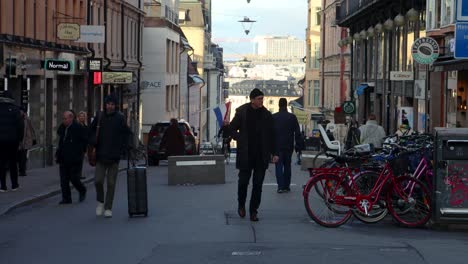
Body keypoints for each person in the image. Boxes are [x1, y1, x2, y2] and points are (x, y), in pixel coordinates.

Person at [230, 88, 279, 222]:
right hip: (246, 154)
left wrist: (274, 153)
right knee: (243, 183)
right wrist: (239, 138)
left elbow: (272, 135)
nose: (261, 101)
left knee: (258, 185)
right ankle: (241, 205)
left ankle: (253, 211)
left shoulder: (266, 115)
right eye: (259, 99)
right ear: (252, 100)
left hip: (261, 156)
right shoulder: (242, 112)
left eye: (262, 99)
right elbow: (232, 128)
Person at [89, 94, 130, 218]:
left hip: (114, 157)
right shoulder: (100, 116)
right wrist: (92, 142)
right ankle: (100, 202)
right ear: (105, 105)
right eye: (108, 104)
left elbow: (127, 134)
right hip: (101, 155)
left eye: (112, 104)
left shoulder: (120, 118)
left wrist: (124, 148)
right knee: (98, 180)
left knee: (111, 183)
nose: (110, 106)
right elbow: (90, 131)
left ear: (115, 105)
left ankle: (108, 207)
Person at [55, 111, 87, 204]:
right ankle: (66, 198)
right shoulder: (63, 128)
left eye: (65, 119)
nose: (64, 120)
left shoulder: (78, 128)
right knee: (63, 179)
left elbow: (84, 141)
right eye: (63, 118)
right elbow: (59, 135)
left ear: (71, 118)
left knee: (74, 178)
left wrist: (81, 152)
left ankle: (82, 190)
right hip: (63, 157)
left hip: (74, 157)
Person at [272, 98, 302, 193]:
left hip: (277, 146)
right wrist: (298, 146)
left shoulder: (274, 117)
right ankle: (286, 186)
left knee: (279, 166)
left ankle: (280, 186)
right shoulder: (292, 117)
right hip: (289, 146)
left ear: (279, 105)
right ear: (286, 105)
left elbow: (270, 133)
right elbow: (297, 132)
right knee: (287, 166)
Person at [0, 91, 24, 192]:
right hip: (13, 141)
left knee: (1, 163)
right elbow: (20, 126)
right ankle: (14, 185)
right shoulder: (15, 109)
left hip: (0, 141)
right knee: (13, 163)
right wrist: (20, 139)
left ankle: (3, 186)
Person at [17, 107, 37, 176]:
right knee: (20, 156)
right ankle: (21, 170)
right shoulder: (18, 119)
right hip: (20, 140)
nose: (20, 112)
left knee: (23, 156)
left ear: (24, 112)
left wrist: (34, 138)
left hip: (26, 141)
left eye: (21, 111)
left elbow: (32, 129)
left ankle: (22, 171)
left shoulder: (27, 119)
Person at [77, 111, 88, 179]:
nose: (82, 117)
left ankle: (79, 175)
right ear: (78, 117)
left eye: (83, 116)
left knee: (81, 161)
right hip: (77, 146)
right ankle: (76, 175)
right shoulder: (77, 125)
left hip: (83, 146)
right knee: (77, 161)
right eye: (80, 116)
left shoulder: (85, 126)